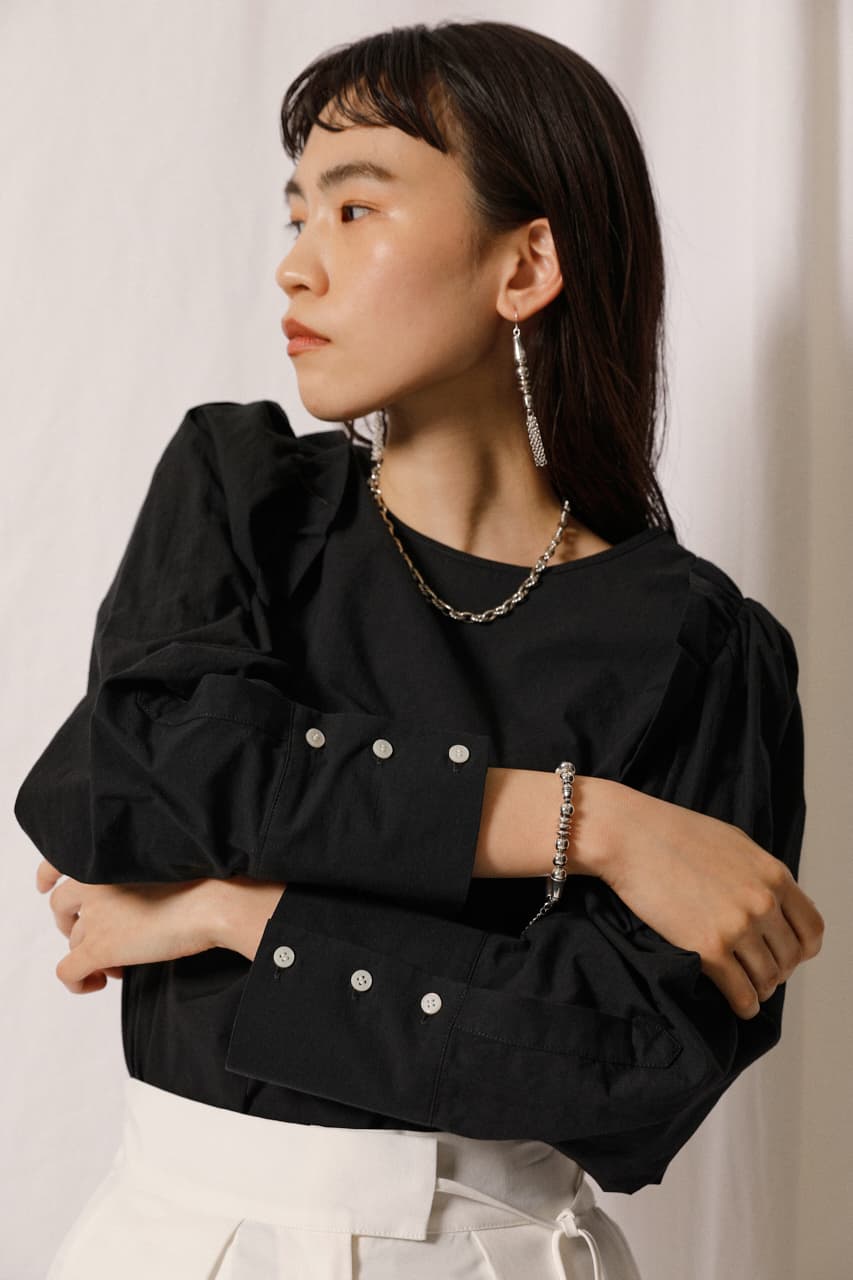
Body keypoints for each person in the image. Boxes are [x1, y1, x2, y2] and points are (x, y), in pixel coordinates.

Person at [14, 19, 825, 1280]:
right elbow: (137, 776)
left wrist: (236, 911)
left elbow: (629, 1070)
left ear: (525, 264)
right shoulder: (245, 494)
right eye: (296, 215)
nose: (294, 266)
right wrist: (590, 823)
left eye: (354, 209)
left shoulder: (696, 642)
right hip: (186, 1244)